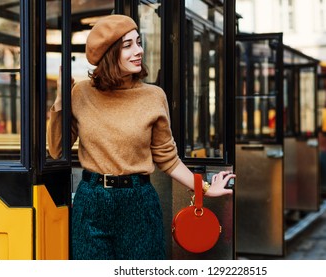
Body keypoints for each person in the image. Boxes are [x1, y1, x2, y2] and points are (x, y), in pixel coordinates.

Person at [47, 14, 234, 260]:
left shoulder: (154, 97)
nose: (139, 51)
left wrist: (204, 187)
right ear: (109, 53)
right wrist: (61, 101)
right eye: (128, 46)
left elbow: (168, 158)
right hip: (91, 204)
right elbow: (57, 149)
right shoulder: (81, 92)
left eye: (138, 42)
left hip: (139, 203)